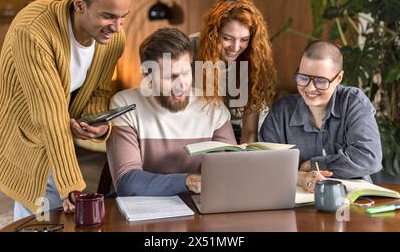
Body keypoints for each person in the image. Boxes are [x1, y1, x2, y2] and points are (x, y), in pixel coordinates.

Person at [0, 0, 132, 221]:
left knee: (54, 209)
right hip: (19, 127)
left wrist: (96, 123)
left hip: (55, 124)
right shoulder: (33, 30)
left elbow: (97, 90)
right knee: (42, 204)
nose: (117, 27)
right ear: (79, 3)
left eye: (123, 17)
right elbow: (48, 115)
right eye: (108, 16)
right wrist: (72, 185)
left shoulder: (113, 38)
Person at [106, 28, 325, 196]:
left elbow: (232, 170)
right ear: (146, 74)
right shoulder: (125, 105)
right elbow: (128, 182)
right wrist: (187, 181)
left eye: (185, 73)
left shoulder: (212, 107)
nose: (181, 85)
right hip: (141, 216)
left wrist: (297, 177)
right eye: (171, 77)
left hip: (198, 213)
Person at [259, 41, 382, 182]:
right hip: (297, 199)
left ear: (338, 78)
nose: (310, 88)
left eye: (320, 81)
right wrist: (300, 177)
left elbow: (369, 158)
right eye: (303, 78)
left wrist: (312, 165)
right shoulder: (282, 112)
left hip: (353, 198)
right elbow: (266, 164)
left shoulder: (353, 102)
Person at [193, 0, 277, 144]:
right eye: (227, 38)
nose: (236, 47)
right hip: (199, 133)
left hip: (240, 135)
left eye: (244, 40)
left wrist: (243, 160)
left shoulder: (254, 58)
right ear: (213, 34)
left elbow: (250, 131)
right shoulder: (190, 50)